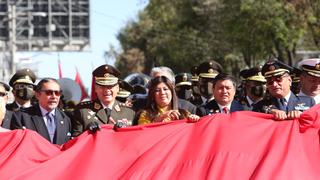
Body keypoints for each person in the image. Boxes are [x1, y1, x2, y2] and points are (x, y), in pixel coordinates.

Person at [72, 64, 135, 137]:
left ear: (117, 88)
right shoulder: (82, 111)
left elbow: (135, 140)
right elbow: (75, 141)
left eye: (110, 86)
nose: (106, 90)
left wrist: (124, 132)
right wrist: (87, 133)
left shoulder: (129, 112)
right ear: (96, 88)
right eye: (102, 86)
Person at [11, 78, 72, 145]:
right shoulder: (21, 116)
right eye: (49, 92)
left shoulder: (66, 118)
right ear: (37, 95)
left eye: (57, 93)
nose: (54, 96)